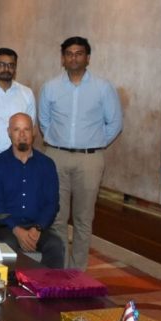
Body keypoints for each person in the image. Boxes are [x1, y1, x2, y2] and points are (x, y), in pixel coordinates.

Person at [40, 36, 123, 270]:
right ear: (62, 58)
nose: (73, 57)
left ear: (87, 58)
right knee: (56, 217)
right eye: (69, 53)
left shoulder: (103, 87)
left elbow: (115, 122)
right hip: (56, 157)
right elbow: (44, 122)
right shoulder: (51, 87)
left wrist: (94, 142)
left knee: (83, 219)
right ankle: (58, 269)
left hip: (90, 159)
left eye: (78, 53)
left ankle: (78, 272)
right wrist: (59, 142)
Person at [0, 113, 64, 268]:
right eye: (16, 130)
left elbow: (52, 203)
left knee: (55, 245)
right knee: (7, 246)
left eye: (26, 129)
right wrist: (16, 229)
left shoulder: (47, 164)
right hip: (5, 227)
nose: (22, 135)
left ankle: (49, 289)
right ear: (9, 132)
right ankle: (12, 289)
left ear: (33, 132)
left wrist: (38, 228)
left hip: (38, 226)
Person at [0, 47, 36, 171]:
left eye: (11, 65)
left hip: (19, 157)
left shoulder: (26, 93)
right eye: (1, 64)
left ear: (15, 68)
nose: (6, 69)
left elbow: (31, 128)